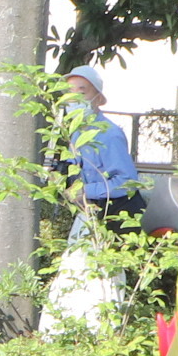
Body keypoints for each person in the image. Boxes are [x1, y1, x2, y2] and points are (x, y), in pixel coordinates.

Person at [65, 65, 144, 233]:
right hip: (94, 212)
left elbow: (127, 182)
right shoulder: (77, 132)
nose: (74, 100)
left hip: (121, 217)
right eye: (69, 94)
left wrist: (85, 191)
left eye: (81, 93)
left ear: (99, 99)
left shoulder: (109, 134)